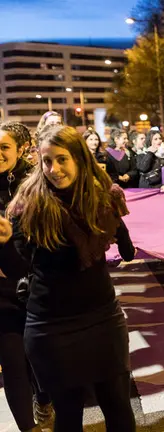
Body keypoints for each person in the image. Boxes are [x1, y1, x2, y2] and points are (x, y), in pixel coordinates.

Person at [2, 125, 136, 431]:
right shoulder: (28, 206)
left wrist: (121, 232)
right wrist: (7, 242)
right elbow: (18, 269)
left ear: (78, 158)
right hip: (51, 327)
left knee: (117, 406)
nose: (54, 169)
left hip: (102, 318)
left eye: (62, 159)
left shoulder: (102, 197)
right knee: (69, 414)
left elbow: (124, 246)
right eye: (47, 161)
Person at [0, 122, 53, 432]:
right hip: (1, 289)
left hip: (34, 281)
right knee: (13, 361)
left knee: (40, 357)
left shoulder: (35, 182)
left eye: (4, 147)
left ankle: (44, 398)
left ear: (21, 149)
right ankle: (27, 429)